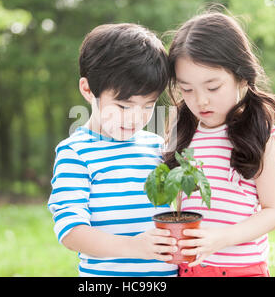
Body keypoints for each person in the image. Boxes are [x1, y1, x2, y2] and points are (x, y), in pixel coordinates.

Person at [164, 10, 275, 277]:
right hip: (190, 269)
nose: (201, 101)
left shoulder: (259, 133)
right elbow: (179, 203)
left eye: (213, 87)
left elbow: (273, 211)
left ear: (241, 77)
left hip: (242, 269)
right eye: (187, 89)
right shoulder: (180, 128)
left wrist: (222, 238)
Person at [48, 23, 178, 277]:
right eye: (123, 106)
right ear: (88, 90)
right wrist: (134, 247)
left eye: (148, 106)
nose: (135, 118)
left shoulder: (157, 148)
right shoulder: (76, 154)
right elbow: (71, 231)